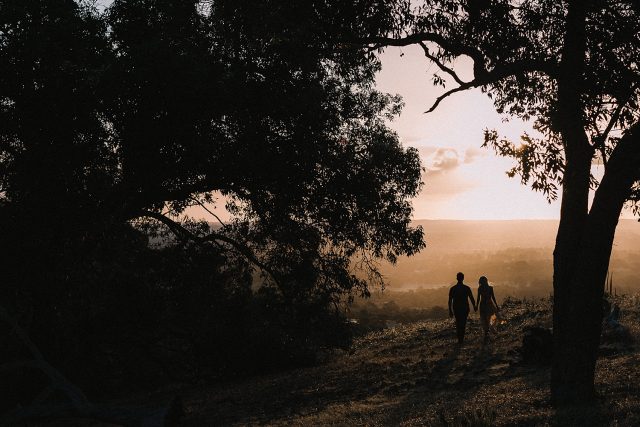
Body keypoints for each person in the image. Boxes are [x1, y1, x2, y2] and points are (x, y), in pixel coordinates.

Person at [448, 272, 476, 344]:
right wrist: (474, 306)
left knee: (458, 323)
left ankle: (460, 339)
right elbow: (472, 299)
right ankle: (461, 339)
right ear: (463, 278)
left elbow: (450, 301)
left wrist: (450, 311)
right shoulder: (466, 288)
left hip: (456, 308)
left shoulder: (453, 289)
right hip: (464, 308)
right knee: (463, 323)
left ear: (457, 278)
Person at [476, 276, 499, 344]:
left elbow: (478, 298)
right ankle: (489, 331)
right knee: (489, 318)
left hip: (483, 305)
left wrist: (476, 306)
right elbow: (493, 297)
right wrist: (496, 305)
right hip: (489, 304)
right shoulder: (490, 288)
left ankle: (486, 332)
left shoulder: (480, 288)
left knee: (484, 319)